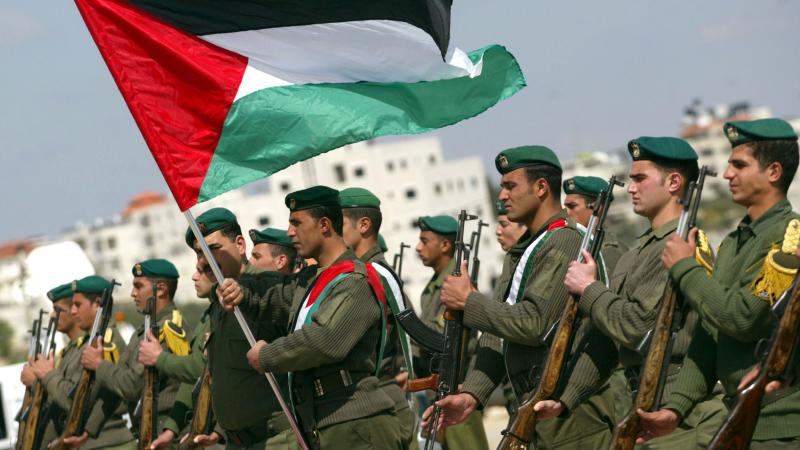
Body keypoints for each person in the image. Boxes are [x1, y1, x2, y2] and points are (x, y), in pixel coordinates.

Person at [434, 145, 618, 449]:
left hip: (568, 421)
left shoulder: (563, 241)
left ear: (542, 187)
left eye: (510, 186)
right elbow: (499, 329)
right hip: (531, 408)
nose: (502, 195)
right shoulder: (527, 247)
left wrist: (470, 301)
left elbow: (532, 323)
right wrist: (473, 394)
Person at [639, 118, 800, 448]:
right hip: (740, 416)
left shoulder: (789, 238)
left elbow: (742, 318)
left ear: (773, 172)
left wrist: (685, 267)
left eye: (739, 165)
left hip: (779, 430)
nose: (727, 174)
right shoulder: (733, 243)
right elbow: (710, 333)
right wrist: (676, 408)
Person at [563, 137, 725, 448]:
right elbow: (609, 339)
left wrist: (590, 289)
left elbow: (638, 327)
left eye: (640, 178)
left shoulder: (681, 246)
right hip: (638, 409)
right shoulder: (638, 250)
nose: (632, 188)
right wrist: (566, 399)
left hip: (680, 418)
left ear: (674, 182)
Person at [220, 186, 403, 449]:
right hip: (324, 422)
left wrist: (267, 356)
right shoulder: (310, 279)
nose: (290, 232)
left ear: (325, 225)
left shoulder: (355, 280)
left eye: (297, 223)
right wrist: (241, 292)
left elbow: (323, 341)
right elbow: (274, 297)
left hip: (356, 424)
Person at [182, 208, 292, 450]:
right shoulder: (218, 302)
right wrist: (219, 431)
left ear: (240, 244)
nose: (203, 260)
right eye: (199, 252)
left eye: (212, 248)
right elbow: (231, 377)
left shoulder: (268, 288)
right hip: (236, 441)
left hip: (276, 439)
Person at [339, 187, 418, 449]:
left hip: (381, 395)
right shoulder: (362, 273)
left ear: (364, 225)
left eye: (340, 223)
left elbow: (412, 331)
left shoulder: (375, 275)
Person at [83, 260, 188, 439]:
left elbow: (132, 386)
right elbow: (116, 385)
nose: (133, 293)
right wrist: (87, 432)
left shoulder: (168, 329)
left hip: (166, 433)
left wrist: (99, 365)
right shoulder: (141, 332)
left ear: (161, 289)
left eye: (138, 286)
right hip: (146, 431)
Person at [414, 214, 489, 450]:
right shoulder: (434, 286)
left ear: (445, 245)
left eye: (425, 241)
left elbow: (441, 335)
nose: (418, 247)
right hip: (437, 389)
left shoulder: (456, 285)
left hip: (457, 388)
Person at [43, 275, 135, 450]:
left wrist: (46, 375)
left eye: (78, 305)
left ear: (98, 304)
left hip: (108, 442)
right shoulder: (91, 342)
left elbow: (86, 399)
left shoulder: (108, 341)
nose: (74, 311)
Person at [562, 175, 629, 273]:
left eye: (572, 206)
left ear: (597, 207)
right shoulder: (567, 242)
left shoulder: (612, 252)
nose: (566, 212)